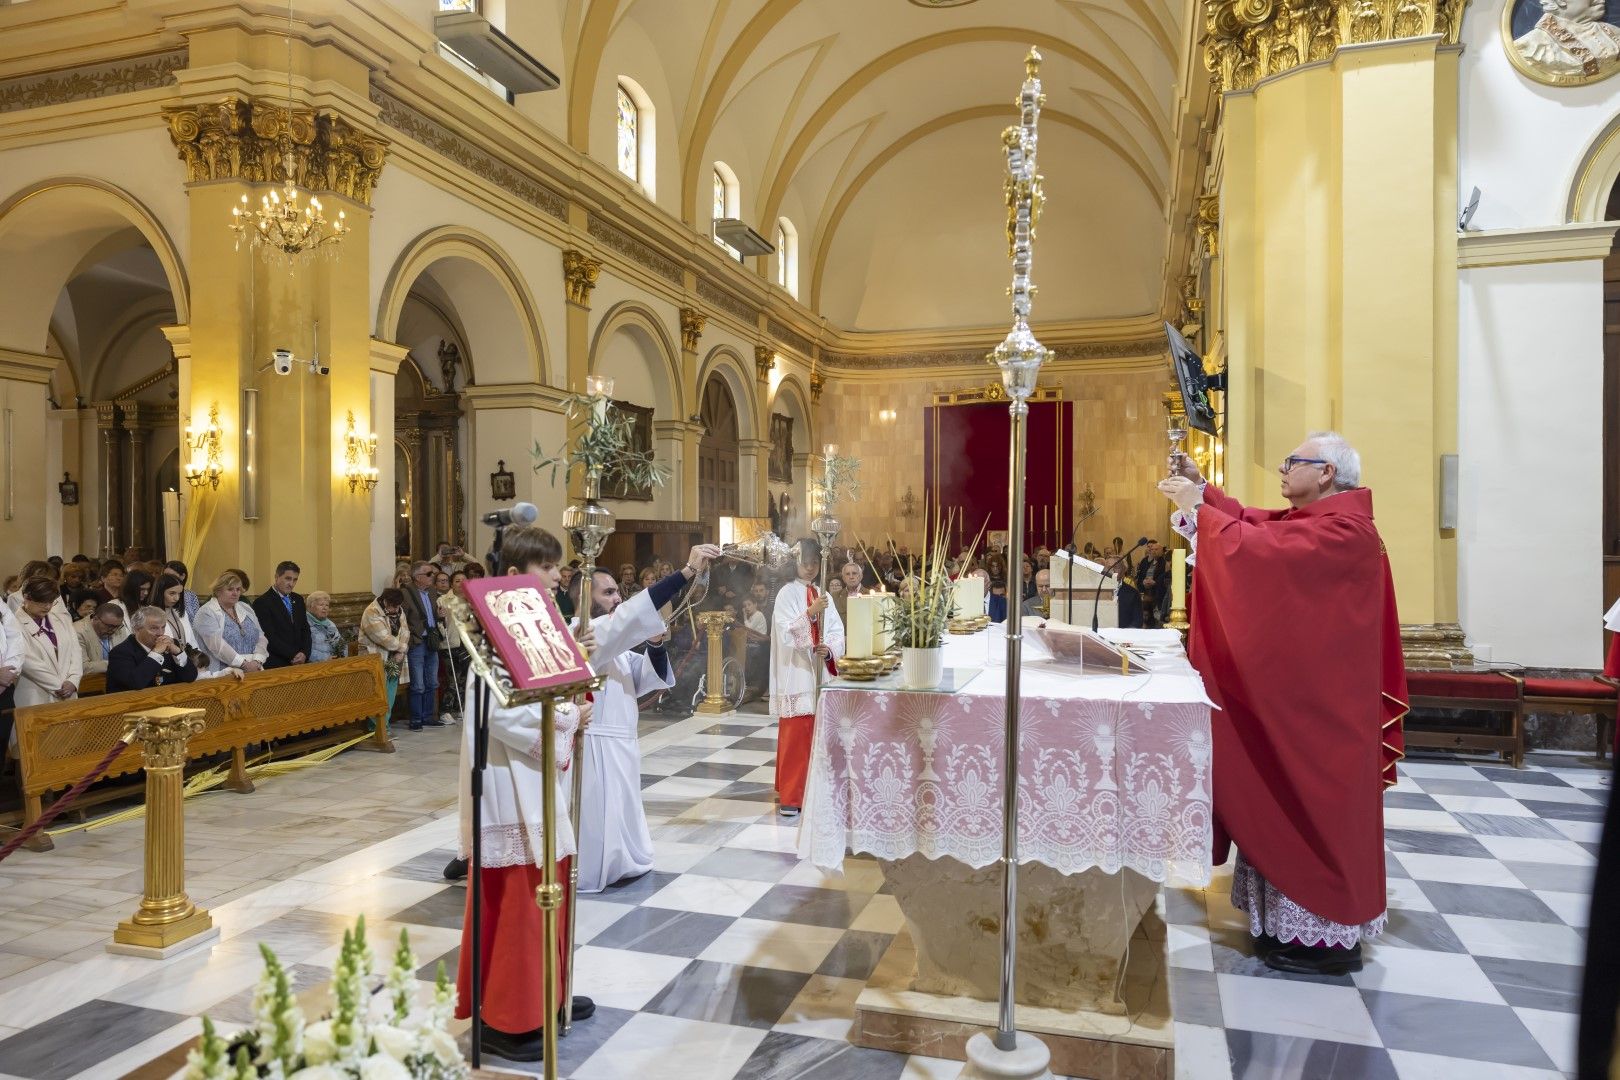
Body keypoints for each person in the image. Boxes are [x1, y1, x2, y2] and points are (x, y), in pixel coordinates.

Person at [1158, 431, 1405, 977]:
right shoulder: (1317, 523)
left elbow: (1261, 556)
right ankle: (1284, 926)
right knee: (1279, 799)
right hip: (1306, 707)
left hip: (1324, 720)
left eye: (1294, 461)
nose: (1282, 468)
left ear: (1327, 474)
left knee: (1312, 810)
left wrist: (1199, 511)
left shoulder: (1346, 533)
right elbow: (1258, 526)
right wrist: (1205, 494)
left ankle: (1325, 940)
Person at [453, 524, 595, 1062]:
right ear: (514, 576)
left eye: (558, 567)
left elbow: (554, 689)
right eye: (548, 567)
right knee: (519, 900)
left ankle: (548, 993)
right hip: (508, 789)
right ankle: (506, 1019)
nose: (559, 575)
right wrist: (566, 717)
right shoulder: (491, 639)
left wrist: (577, 683)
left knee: (551, 890)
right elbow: (499, 715)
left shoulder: (542, 627)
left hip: (539, 785)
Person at [578, 544, 720, 893]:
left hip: (621, 742)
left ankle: (624, 860)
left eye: (616, 591)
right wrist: (686, 571)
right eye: (607, 592)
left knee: (622, 810)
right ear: (585, 599)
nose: (616, 598)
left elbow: (644, 680)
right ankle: (595, 868)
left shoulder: (615, 647)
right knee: (601, 815)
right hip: (597, 744)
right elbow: (631, 613)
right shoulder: (583, 634)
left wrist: (655, 646)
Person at [770, 539, 846, 818]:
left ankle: (816, 791)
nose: (811, 567)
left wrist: (830, 649)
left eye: (815, 562)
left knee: (818, 734)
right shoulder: (786, 593)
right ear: (795, 563)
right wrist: (811, 614)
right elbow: (785, 633)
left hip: (818, 668)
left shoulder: (821, 591)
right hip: (797, 671)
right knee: (796, 734)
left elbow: (836, 629)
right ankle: (792, 795)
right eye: (806, 562)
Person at [14, 576, 82, 707]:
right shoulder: (13, 624)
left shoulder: (61, 619)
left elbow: (76, 650)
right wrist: (59, 686)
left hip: (69, 689)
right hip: (36, 693)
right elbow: (29, 663)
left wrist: (73, 680)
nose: (48, 606)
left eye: (51, 602)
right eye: (42, 602)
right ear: (26, 597)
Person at [193, 571, 269, 677]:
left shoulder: (245, 608)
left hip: (254, 668)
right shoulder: (206, 612)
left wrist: (258, 660)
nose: (235, 593)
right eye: (230, 589)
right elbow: (217, 645)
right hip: (224, 672)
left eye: (238, 589)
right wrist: (244, 664)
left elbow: (261, 637)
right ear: (218, 591)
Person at [107, 606, 197, 692]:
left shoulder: (171, 645)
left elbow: (190, 677)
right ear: (136, 629)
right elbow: (135, 683)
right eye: (154, 628)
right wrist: (156, 653)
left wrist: (178, 653)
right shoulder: (120, 652)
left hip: (168, 701)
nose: (161, 633)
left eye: (163, 627)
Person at [400, 561, 444, 731]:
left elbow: (433, 615)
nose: (432, 576)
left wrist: (440, 616)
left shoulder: (432, 591)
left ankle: (429, 716)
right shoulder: (405, 593)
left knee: (432, 680)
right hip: (417, 642)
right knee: (418, 683)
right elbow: (402, 618)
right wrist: (411, 637)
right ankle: (416, 718)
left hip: (431, 641)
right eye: (428, 574)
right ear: (418, 577)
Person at [360, 588, 410, 729]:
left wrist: (401, 651)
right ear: (385, 601)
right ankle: (375, 728)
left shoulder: (398, 610)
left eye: (398, 606)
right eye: (394, 606)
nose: (396, 609)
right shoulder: (372, 611)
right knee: (377, 692)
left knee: (390, 693)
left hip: (396, 657)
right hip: (376, 657)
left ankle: (385, 725)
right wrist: (402, 648)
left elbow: (405, 630)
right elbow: (383, 638)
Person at [252, 561, 311, 669]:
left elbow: (305, 629)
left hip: (301, 662)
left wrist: (304, 653)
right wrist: (293, 655)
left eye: (295, 580)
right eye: (288, 578)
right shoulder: (262, 603)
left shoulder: (298, 599)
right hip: (277, 663)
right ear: (276, 577)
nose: (291, 584)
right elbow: (269, 636)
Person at [73, 602, 129, 676]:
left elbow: (126, 657)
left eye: (117, 627)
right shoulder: (77, 632)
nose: (114, 630)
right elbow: (82, 667)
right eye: (109, 626)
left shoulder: (118, 627)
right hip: (89, 682)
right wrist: (114, 664)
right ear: (95, 618)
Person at [306, 591, 345, 662]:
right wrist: (325, 658)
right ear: (310, 606)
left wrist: (341, 656)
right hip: (314, 665)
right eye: (321, 605)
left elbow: (341, 643)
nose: (325, 608)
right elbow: (305, 650)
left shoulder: (330, 624)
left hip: (335, 662)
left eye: (327, 605)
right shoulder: (304, 623)